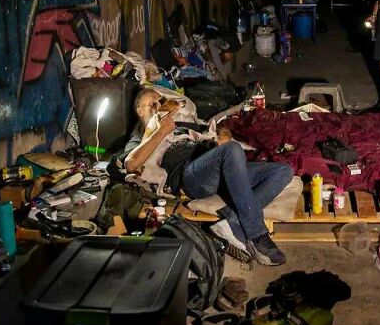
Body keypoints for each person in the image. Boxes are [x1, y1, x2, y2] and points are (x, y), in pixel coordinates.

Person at [122, 88, 293, 266]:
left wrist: (219, 141)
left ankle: (231, 222)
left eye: (160, 102)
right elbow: (131, 164)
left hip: (218, 168)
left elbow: (214, 131)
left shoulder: (180, 126)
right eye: (151, 104)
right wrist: (161, 131)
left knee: (283, 171)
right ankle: (257, 235)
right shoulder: (140, 138)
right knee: (232, 150)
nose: (158, 106)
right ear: (140, 111)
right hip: (190, 176)